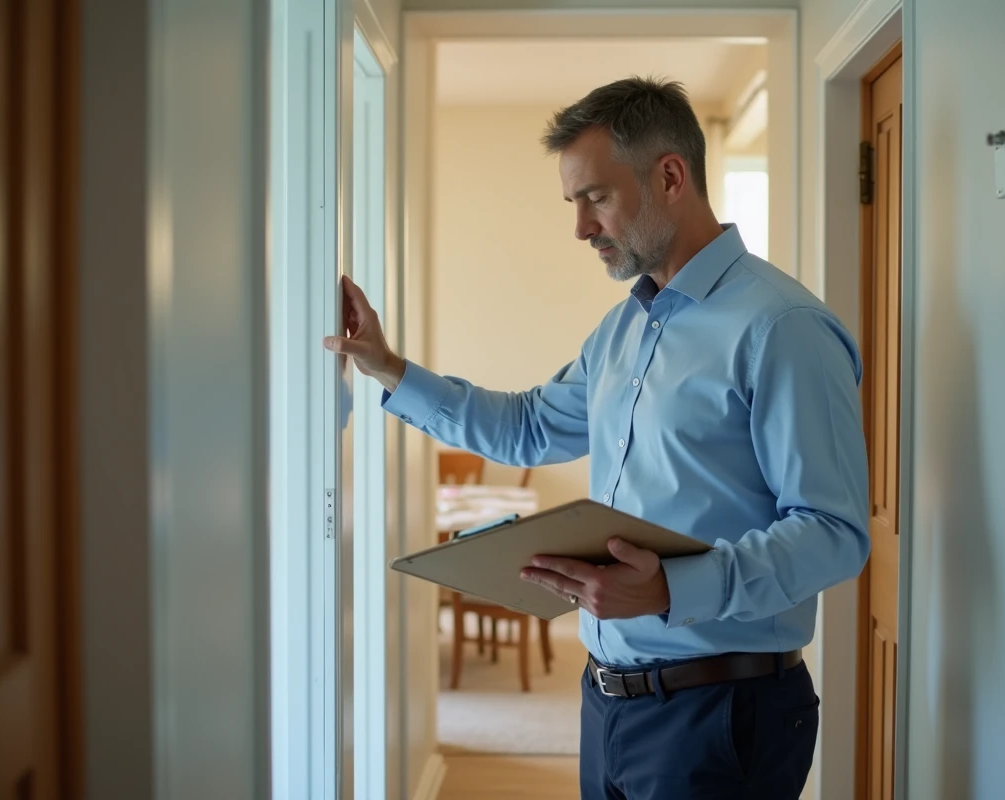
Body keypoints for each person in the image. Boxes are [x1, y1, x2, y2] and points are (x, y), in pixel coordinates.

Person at [324, 76, 870, 799]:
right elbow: (525, 427)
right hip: (608, 700)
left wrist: (670, 588)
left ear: (670, 175)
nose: (581, 227)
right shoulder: (623, 330)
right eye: (573, 203)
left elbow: (833, 531)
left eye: (597, 198)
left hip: (721, 714)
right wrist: (388, 368)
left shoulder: (782, 329)